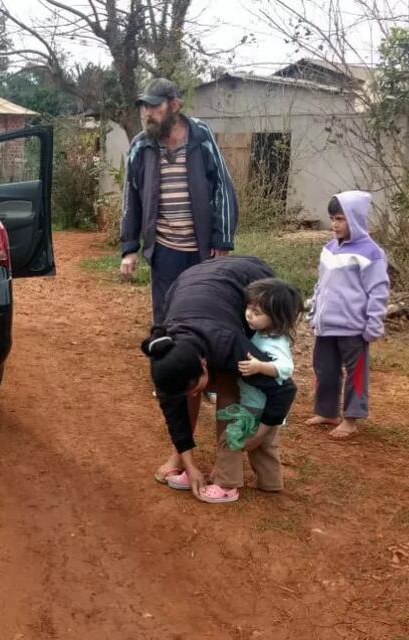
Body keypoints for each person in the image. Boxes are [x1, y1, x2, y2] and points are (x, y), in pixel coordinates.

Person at [142, 257, 297, 501]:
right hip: (192, 284)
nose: (195, 395)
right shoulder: (164, 355)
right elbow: (174, 410)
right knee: (181, 395)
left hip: (248, 278)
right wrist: (189, 465)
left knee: (231, 381)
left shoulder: (230, 344)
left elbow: (284, 389)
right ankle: (183, 459)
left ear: (204, 363)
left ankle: (226, 474)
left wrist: (261, 433)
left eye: (197, 387)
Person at [119, 77, 239, 325]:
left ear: (175, 105)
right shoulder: (141, 146)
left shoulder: (200, 136)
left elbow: (222, 187)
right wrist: (130, 248)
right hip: (164, 249)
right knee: (165, 313)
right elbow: (130, 197)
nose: (148, 114)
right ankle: (168, 360)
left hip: (202, 248)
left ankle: (198, 359)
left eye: (155, 107)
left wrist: (223, 239)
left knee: (202, 308)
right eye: (145, 107)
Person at [194, 278, 303, 503]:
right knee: (264, 447)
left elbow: (286, 368)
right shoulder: (266, 334)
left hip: (255, 406)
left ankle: (226, 485)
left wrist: (260, 366)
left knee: (230, 439)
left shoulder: (274, 343)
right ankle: (270, 483)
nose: (249, 315)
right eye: (248, 308)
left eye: (257, 312)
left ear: (276, 317)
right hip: (264, 407)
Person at [306, 191, 390, 440]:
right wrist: (314, 313)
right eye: (332, 219)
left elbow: (378, 291)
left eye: (340, 219)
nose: (334, 224)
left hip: (354, 328)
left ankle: (351, 419)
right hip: (326, 325)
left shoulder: (371, 253)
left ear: (355, 218)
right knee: (325, 370)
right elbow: (320, 285)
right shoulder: (329, 249)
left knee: (357, 372)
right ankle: (327, 411)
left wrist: (373, 324)